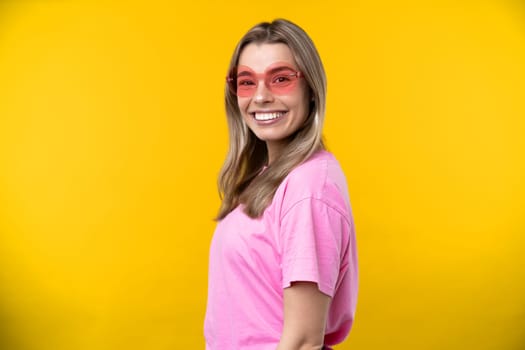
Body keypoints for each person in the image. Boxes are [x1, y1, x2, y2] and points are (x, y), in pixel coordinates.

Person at [204, 19, 358, 350]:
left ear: (311, 89)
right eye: (247, 82)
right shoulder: (273, 176)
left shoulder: (308, 188)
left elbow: (303, 341)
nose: (260, 96)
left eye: (281, 79)